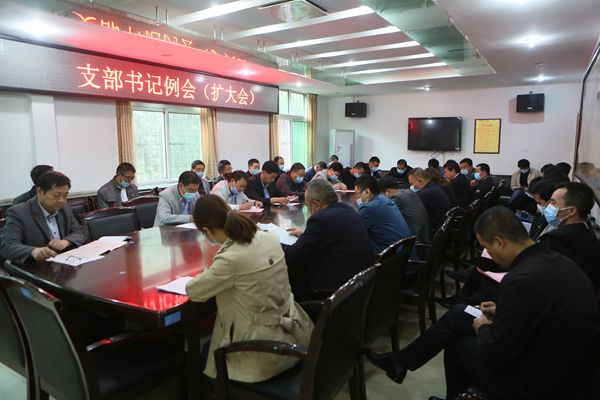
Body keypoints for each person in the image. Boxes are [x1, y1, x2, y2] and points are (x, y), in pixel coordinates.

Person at [366, 206, 600, 400]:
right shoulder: (555, 261)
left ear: (499, 242)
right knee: (460, 314)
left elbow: (497, 352)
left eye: (487, 248)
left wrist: (484, 328)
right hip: (553, 354)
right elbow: (539, 310)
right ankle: (400, 361)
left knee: (459, 344)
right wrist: (503, 310)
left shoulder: (521, 279)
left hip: (540, 379)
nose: (489, 254)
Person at [185, 195, 313, 383]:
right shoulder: (268, 238)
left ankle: (217, 391)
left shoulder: (230, 259)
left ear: (207, 231)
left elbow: (194, 291)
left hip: (262, 352)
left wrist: (208, 269)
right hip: (294, 335)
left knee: (205, 353)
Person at [284, 180, 374, 298]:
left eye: (307, 204)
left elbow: (293, 255)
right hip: (360, 284)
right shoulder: (348, 209)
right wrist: (305, 234)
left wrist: (271, 241)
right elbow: (330, 236)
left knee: (293, 269)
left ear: (316, 204)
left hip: (337, 293)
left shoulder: (321, 219)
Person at [0, 171, 86, 264]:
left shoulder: (64, 208)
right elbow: (7, 246)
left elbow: (79, 232)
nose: (61, 200)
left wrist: (66, 241)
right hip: (36, 266)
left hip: (64, 263)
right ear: (39, 191)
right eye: (56, 195)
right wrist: (33, 251)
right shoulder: (18, 212)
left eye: (65, 195)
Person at [538, 182, 600, 293]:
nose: (548, 207)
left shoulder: (554, 241)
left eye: (553, 203)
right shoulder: (590, 236)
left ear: (571, 211)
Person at [354, 175, 412, 254]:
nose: (356, 197)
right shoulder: (385, 200)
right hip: (404, 253)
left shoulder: (369, 208)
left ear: (367, 192)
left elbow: (353, 231)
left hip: (391, 256)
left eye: (357, 194)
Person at [379, 176, 430, 243]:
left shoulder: (396, 199)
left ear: (387, 191)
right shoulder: (409, 192)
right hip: (424, 235)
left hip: (414, 240)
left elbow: (384, 216)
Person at [408, 168, 451, 234]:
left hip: (434, 231)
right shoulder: (434, 186)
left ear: (420, 181)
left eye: (412, 184)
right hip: (443, 228)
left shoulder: (425, 193)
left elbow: (415, 215)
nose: (412, 187)